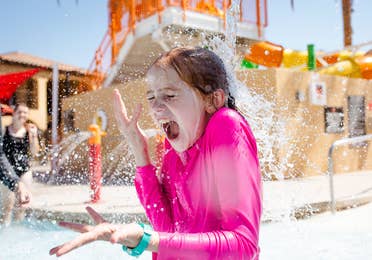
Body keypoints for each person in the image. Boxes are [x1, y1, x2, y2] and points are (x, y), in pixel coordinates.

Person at [49, 47, 262, 259]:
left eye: (169, 95)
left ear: (213, 100)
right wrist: (141, 154)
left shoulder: (227, 124)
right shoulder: (174, 149)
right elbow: (167, 229)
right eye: (151, 97)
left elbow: (243, 245)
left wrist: (147, 240)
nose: (156, 108)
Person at [0, 103, 39, 225]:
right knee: (7, 206)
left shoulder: (29, 131)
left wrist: (34, 136)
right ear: (14, 113)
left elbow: (34, 152)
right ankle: (5, 231)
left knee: (21, 205)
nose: (22, 115)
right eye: (19, 112)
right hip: (7, 170)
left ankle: (18, 229)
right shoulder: (5, 130)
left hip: (24, 169)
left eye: (25, 112)